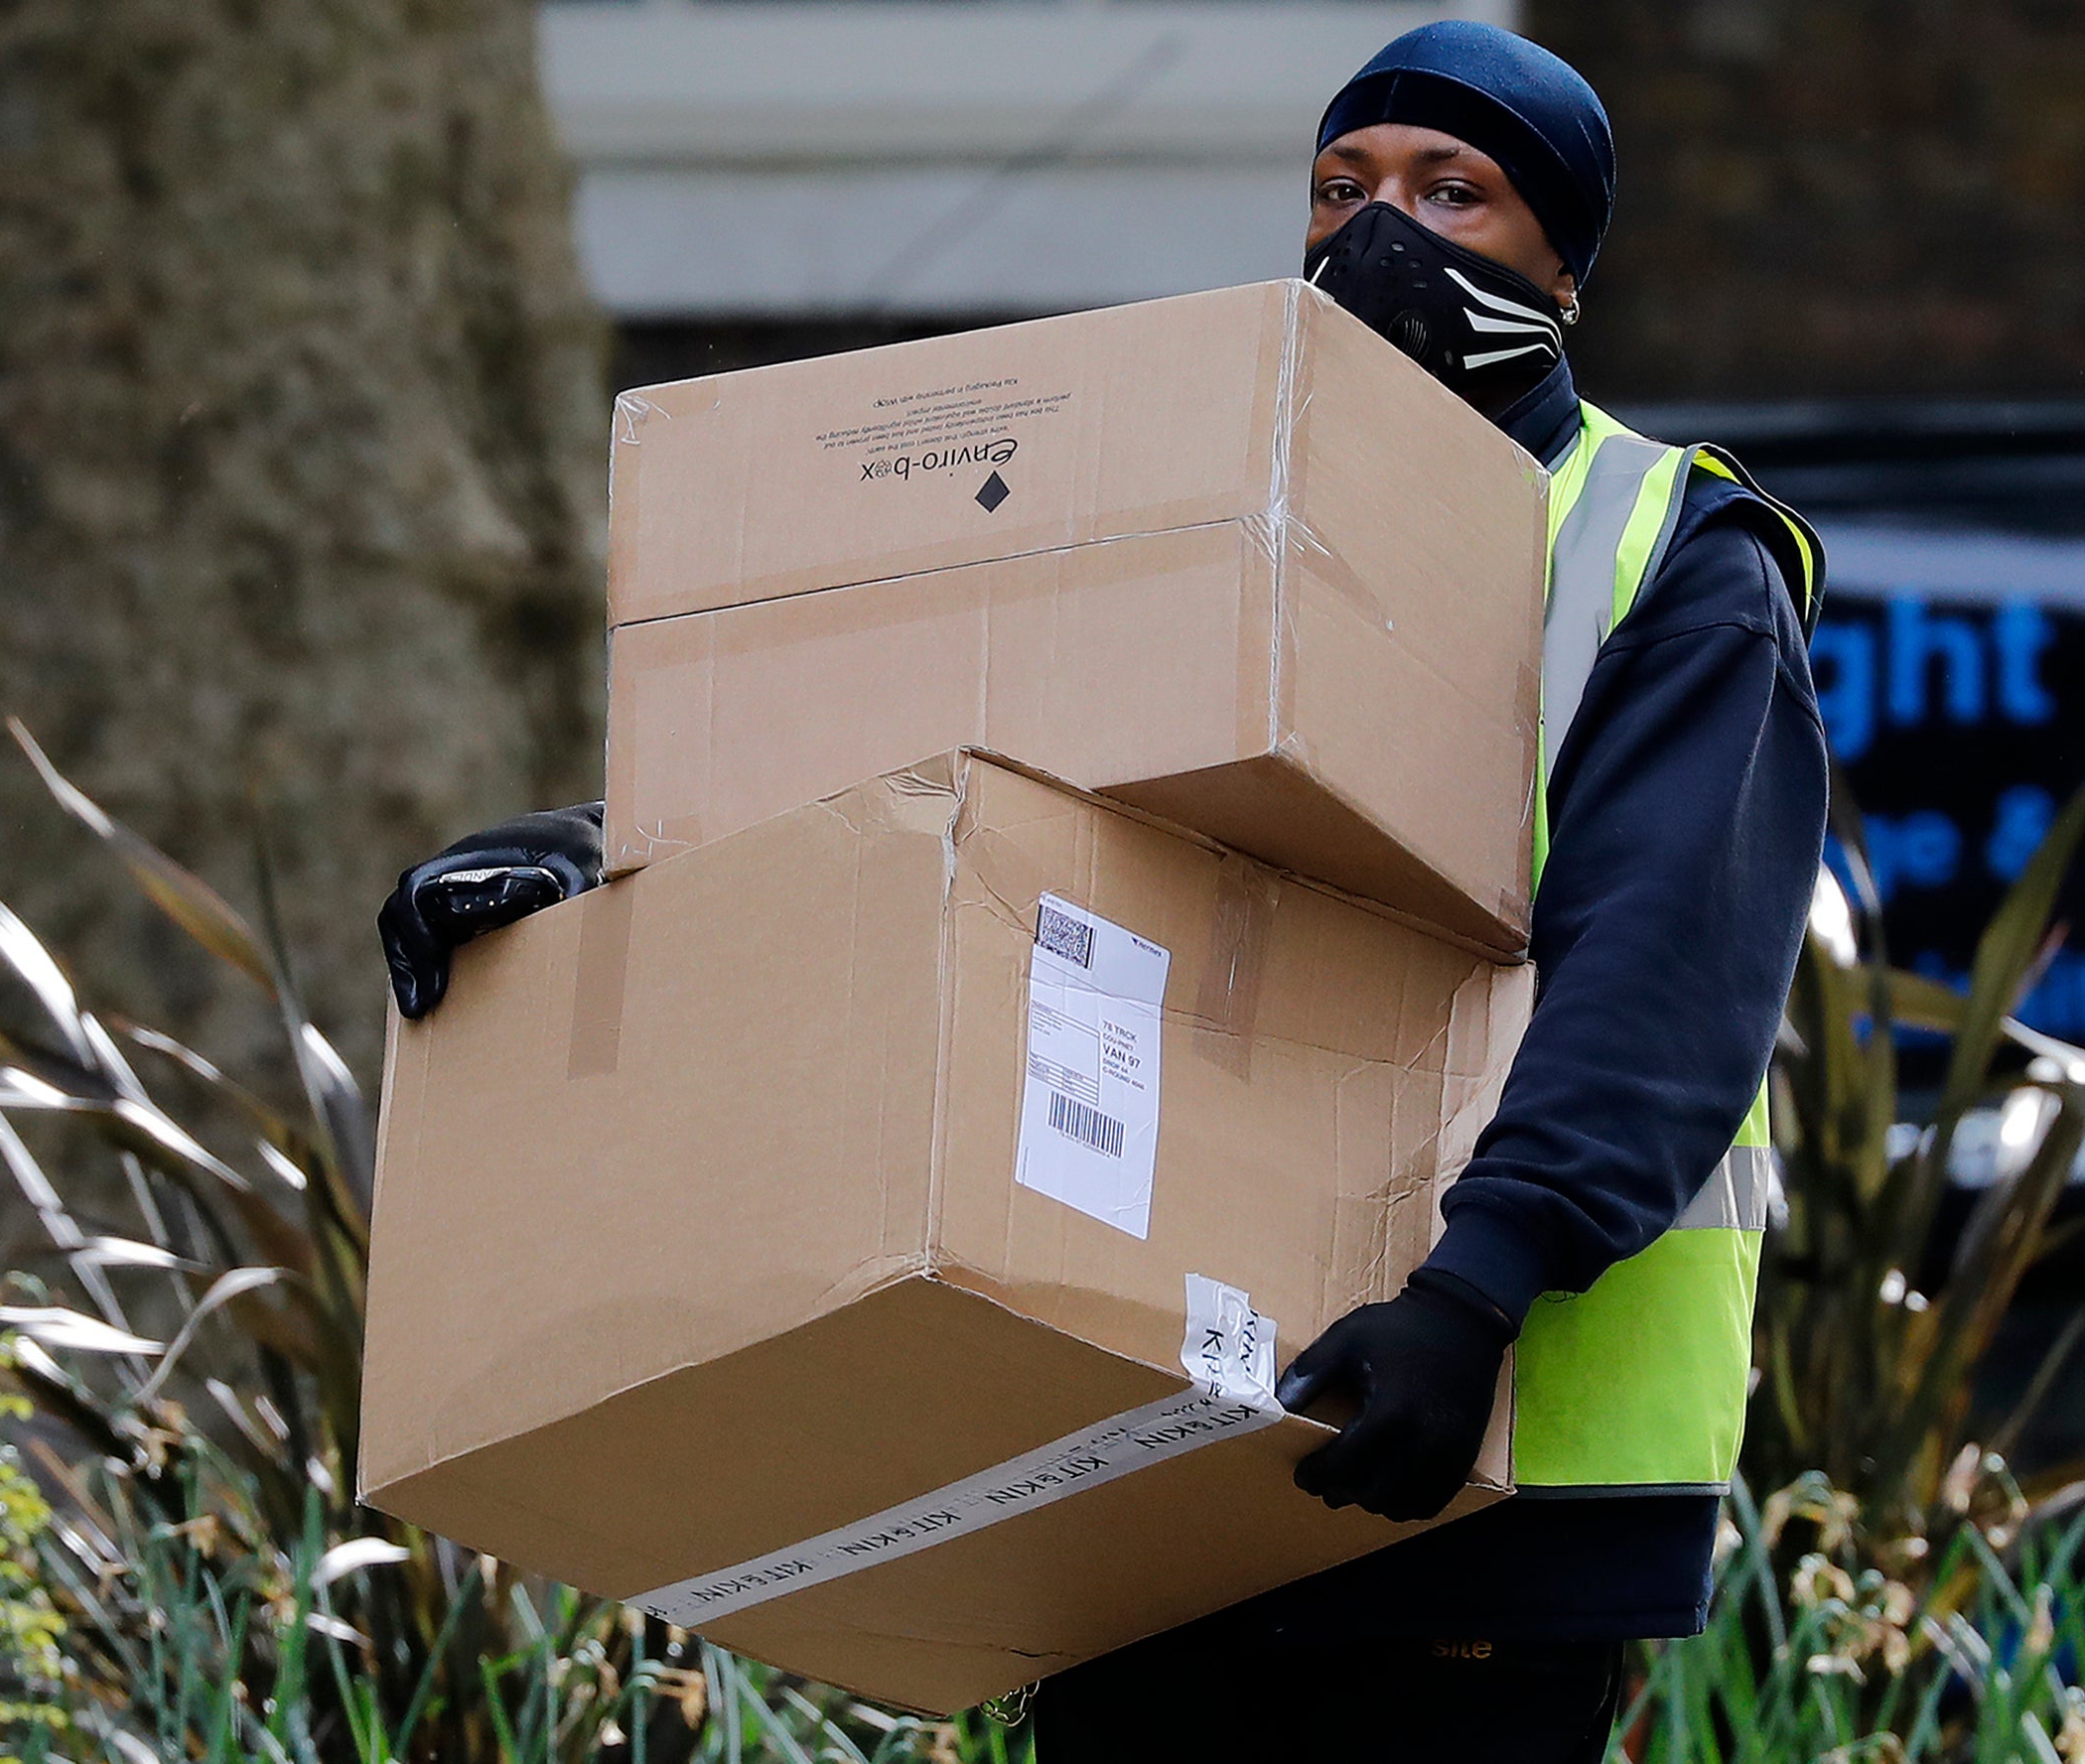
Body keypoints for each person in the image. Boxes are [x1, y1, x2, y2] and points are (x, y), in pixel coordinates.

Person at [378, 22, 1825, 1762]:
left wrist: (1477, 1285)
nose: (1382, 234)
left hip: (1486, 1471)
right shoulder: (1221, 510)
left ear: (1564, 269)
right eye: (1338, 188)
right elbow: (940, 767)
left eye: (1456, 193)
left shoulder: (1667, 551)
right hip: (1152, 1430)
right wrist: (595, 852)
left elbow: (1670, 959)